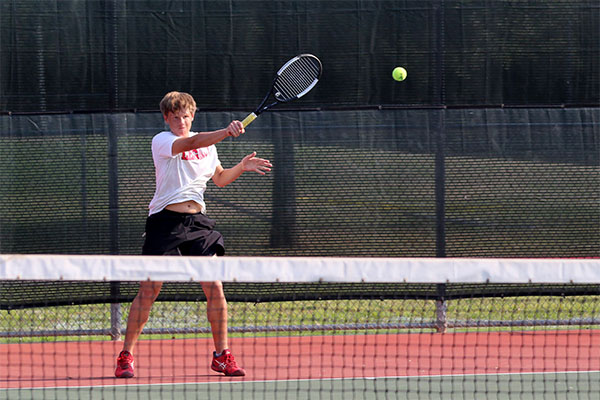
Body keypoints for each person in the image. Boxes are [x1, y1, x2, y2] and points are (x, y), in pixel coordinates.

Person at [115, 91, 272, 378]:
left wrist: (242, 167)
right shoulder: (162, 141)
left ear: (193, 115)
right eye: (175, 117)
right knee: (149, 291)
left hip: (198, 224)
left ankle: (222, 356)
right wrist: (226, 131)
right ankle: (126, 355)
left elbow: (220, 178)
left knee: (215, 287)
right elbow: (191, 142)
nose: (181, 121)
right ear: (166, 118)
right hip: (164, 222)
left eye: (186, 116)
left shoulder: (208, 146)